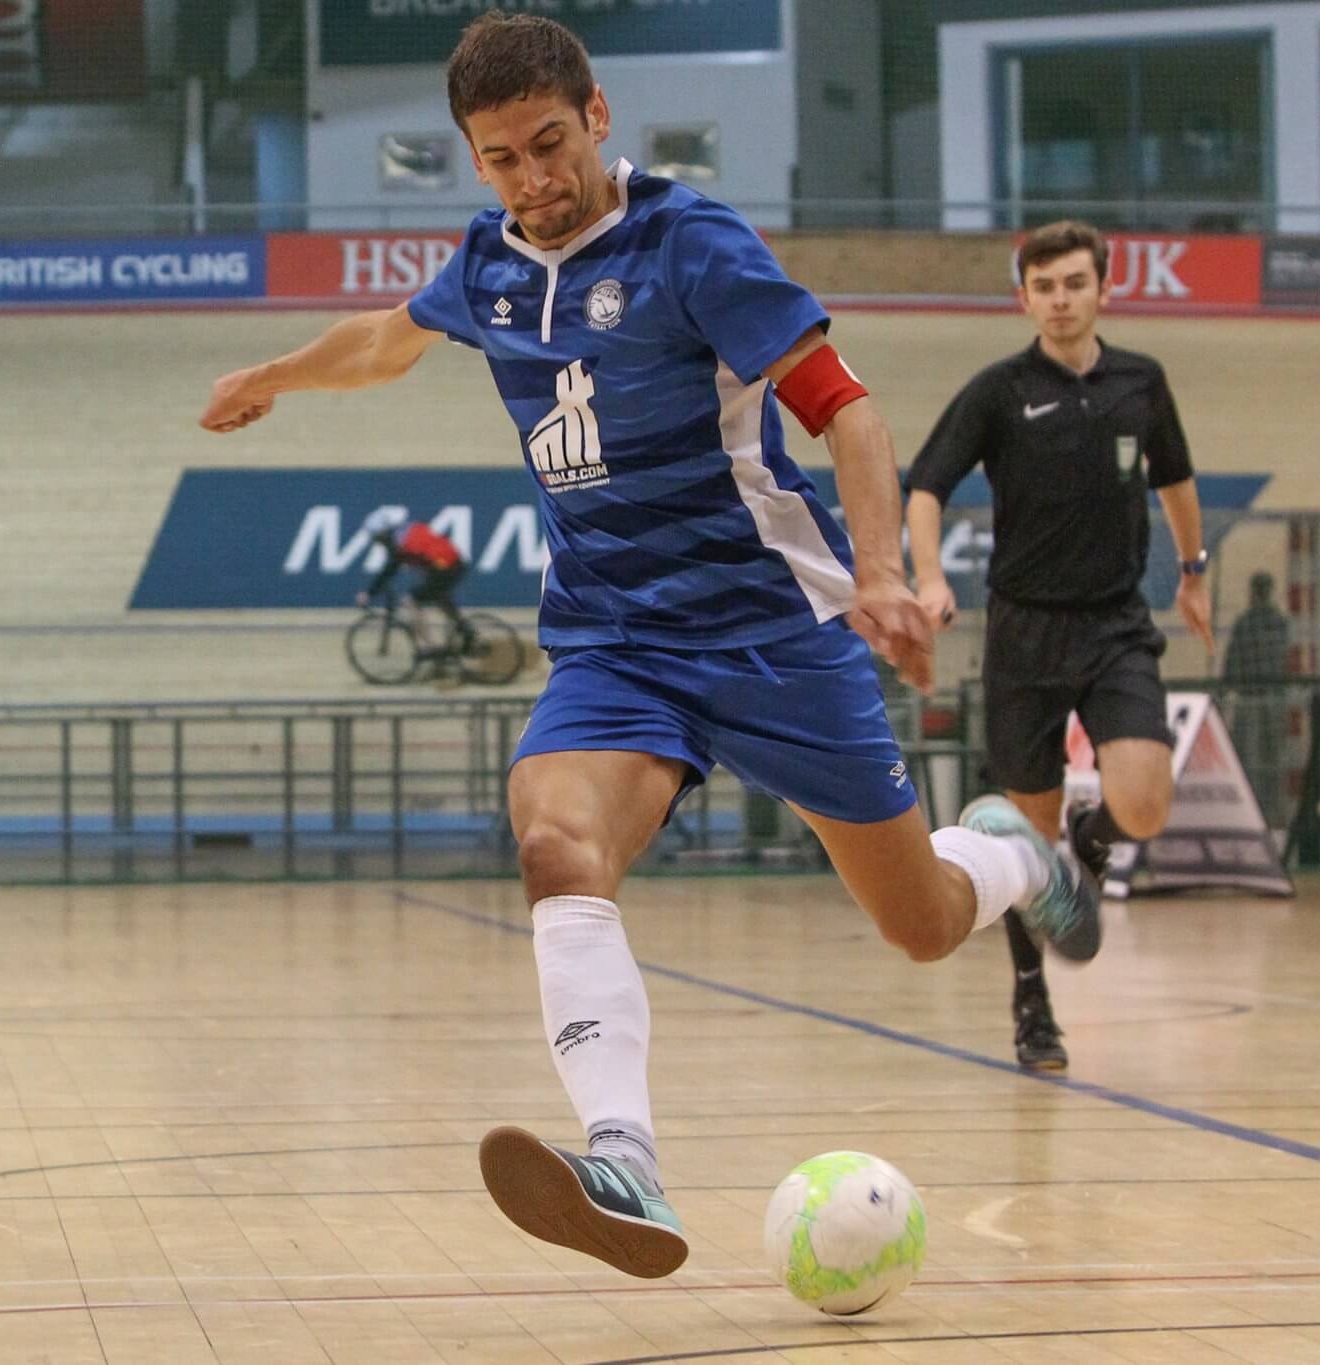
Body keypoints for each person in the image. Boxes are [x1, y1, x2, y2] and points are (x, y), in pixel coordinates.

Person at [200, 13, 1099, 1281]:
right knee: (552, 841)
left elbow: (844, 411)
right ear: (473, 158)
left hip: (769, 631)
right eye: (500, 158)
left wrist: (880, 574)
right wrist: (273, 375)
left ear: (596, 116)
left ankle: (1009, 853)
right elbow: (385, 342)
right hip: (615, 641)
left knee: (920, 922)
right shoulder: (486, 264)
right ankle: (621, 1156)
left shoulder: (692, 244)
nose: (531, 178)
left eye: (548, 144)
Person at [905, 219, 1212, 1073]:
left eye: (1075, 282)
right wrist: (929, 578)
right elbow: (926, 485)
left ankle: (1096, 834)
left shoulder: (1142, 382)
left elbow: (1176, 479)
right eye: (1044, 286)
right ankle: (1032, 1002)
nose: (1061, 299)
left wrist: (1193, 571)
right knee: (1026, 841)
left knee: (1145, 800)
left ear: (1104, 288)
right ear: (1025, 298)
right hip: (1024, 633)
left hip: (1116, 624)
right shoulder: (1000, 391)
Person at [1223, 570, 1291, 823]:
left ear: (1253, 592)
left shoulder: (1247, 623)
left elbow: (1233, 662)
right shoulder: (1278, 623)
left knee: (1250, 757)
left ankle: (1251, 809)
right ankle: (1271, 810)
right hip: (1272, 697)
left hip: (1249, 697)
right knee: (1271, 756)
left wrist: (1227, 687)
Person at [356, 507, 470, 648]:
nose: (376, 542)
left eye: (376, 538)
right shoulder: (405, 532)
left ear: (383, 533)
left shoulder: (400, 543)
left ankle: (429, 646)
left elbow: (389, 571)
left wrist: (369, 593)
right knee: (439, 596)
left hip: (446, 567)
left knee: (411, 601)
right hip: (451, 564)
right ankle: (465, 630)